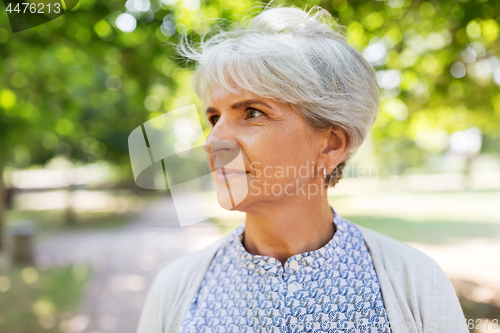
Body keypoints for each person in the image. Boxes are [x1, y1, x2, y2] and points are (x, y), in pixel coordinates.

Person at [137, 4, 468, 333]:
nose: (212, 142)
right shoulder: (175, 290)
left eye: (252, 112)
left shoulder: (417, 285)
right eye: (214, 117)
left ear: (332, 144)